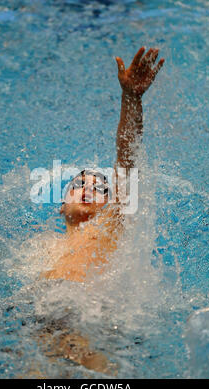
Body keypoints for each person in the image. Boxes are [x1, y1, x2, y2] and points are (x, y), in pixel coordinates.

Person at [41, 47, 164, 283]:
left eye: (100, 189)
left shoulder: (108, 228)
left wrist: (131, 98)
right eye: (79, 184)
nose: (88, 189)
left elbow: (127, 160)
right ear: (61, 207)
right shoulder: (42, 246)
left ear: (110, 206)